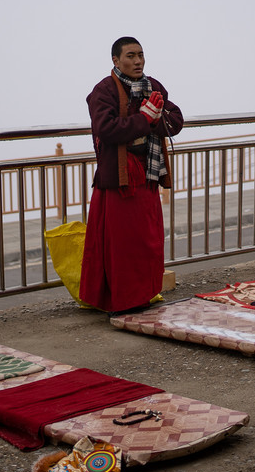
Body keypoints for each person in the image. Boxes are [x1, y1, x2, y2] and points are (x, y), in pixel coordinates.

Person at [79, 37, 184, 313]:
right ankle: (121, 301)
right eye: (130, 56)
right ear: (116, 60)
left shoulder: (154, 86)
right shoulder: (103, 91)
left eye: (141, 55)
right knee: (121, 247)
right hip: (120, 180)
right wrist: (144, 119)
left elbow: (176, 121)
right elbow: (106, 128)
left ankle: (144, 295)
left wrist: (156, 117)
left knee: (147, 243)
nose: (138, 61)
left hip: (147, 176)